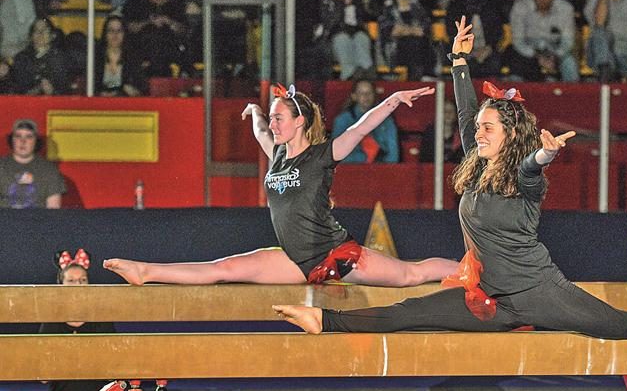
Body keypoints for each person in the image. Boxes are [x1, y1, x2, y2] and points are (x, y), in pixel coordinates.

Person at [271, 16, 627, 338]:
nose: (477, 133)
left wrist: (543, 156)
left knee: (625, 327)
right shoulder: (476, 156)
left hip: (539, 293)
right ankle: (323, 319)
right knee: (409, 313)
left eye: (487, 128)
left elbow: (529, 170)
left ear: (508, 134)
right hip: (489, 299)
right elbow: (465, 112)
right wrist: (459, 62)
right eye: (478, 128)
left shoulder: (525, 178)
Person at [104, 83, 458, 286]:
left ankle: (474, 272)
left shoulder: (322, 155)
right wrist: (254, 112)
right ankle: (145, 271)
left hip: (336, 256)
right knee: (222, 270)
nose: (273, 124)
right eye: (272, 117)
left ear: (300, 121)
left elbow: (359, 129)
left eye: (279, 117)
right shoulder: (276, 154)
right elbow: (259, 129)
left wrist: (393, 101)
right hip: (294, 260)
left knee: (411, 275)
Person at [28, 250, 115, 391]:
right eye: (72, 281)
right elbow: (42, 376)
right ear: (61, 286)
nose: (78, 286)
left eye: (83, 281)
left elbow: (113, 367)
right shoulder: (52, 321)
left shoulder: (100, 321)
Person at [507, 0, 579, 82]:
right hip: (528, 50)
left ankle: (573, 94)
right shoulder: (520, 7)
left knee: (569, 62)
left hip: (555, 49)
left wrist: (554, 56)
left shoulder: (565, 8)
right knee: (515, 58)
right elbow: (518, 41)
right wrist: (538, 58)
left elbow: (567, 41)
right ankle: (515, 94)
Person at [445, 0, 503, 78]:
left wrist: (488, 48)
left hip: (487, 50)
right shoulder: (455, 4)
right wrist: (468, 51)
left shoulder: (492, 4)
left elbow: (497, 31)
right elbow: (451, 31)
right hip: (462, 50)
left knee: (494, 63)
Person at [320, 0, 374, 80]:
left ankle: (366, 74)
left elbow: (367, 16)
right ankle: (349, 76)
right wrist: (340, 2)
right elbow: (329, 24)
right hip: (335, 39)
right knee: (342, 39)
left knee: (361, 38)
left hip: (356, 36)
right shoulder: (326, 1)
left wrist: (350, 2)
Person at [377, 0, 432, 80]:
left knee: (417, 43)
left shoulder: (419, 6)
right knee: (413, 42)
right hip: (394, 50)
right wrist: (412, 30)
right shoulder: (387, 6)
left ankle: (421, 78)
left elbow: (425, 30)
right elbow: (389, 31)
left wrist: (403, 30)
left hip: (419, 49)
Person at [0, 118, 65, 209]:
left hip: (38, 222)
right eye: (18, 136)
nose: (23, 141)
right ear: (12, 140)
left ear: (36, 141)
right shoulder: (1, 167)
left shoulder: (49, 169)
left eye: (29, 136)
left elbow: (53, 209)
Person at [332, 80, 398, 163]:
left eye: (369, 93)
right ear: (354, 96)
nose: (366, 96)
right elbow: (337, 154)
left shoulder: (386, 120)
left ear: (374, 95)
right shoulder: (342, 121)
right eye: (361, 93)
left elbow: (393, 153)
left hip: (380, 167)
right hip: (351, 168)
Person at [12, 17, 69, 95]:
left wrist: (52, 92)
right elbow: (19, 91)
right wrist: (39, 89)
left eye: (45, 30)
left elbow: (65, 91)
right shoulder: (22, 58)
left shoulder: (60, 58)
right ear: (31, 36)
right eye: (36, 30)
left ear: (53, 35)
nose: (40, 33)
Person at [94, 15, 145, 96]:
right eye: (111, 30)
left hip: (125, 104)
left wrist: (133, 91)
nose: (115, 34)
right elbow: (90, 87)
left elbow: (142, 88)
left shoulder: (133, 58)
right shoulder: (95, 57)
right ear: (105, 33)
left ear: (125, 33)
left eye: (119, 30)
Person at [419, 99, 463, 163]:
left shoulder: (461, 134)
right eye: (445, 111)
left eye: (451, 111)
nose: (448, 114)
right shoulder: (430, 134)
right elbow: (424, 157)